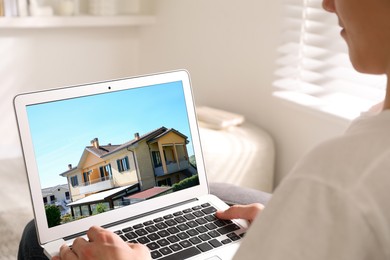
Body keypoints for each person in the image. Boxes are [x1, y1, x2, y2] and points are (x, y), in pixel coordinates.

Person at [18, 0, 390, 258]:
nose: (327, 5)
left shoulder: (342, 177)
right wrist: (288, 225)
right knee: (210, 195)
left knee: (39, 235)